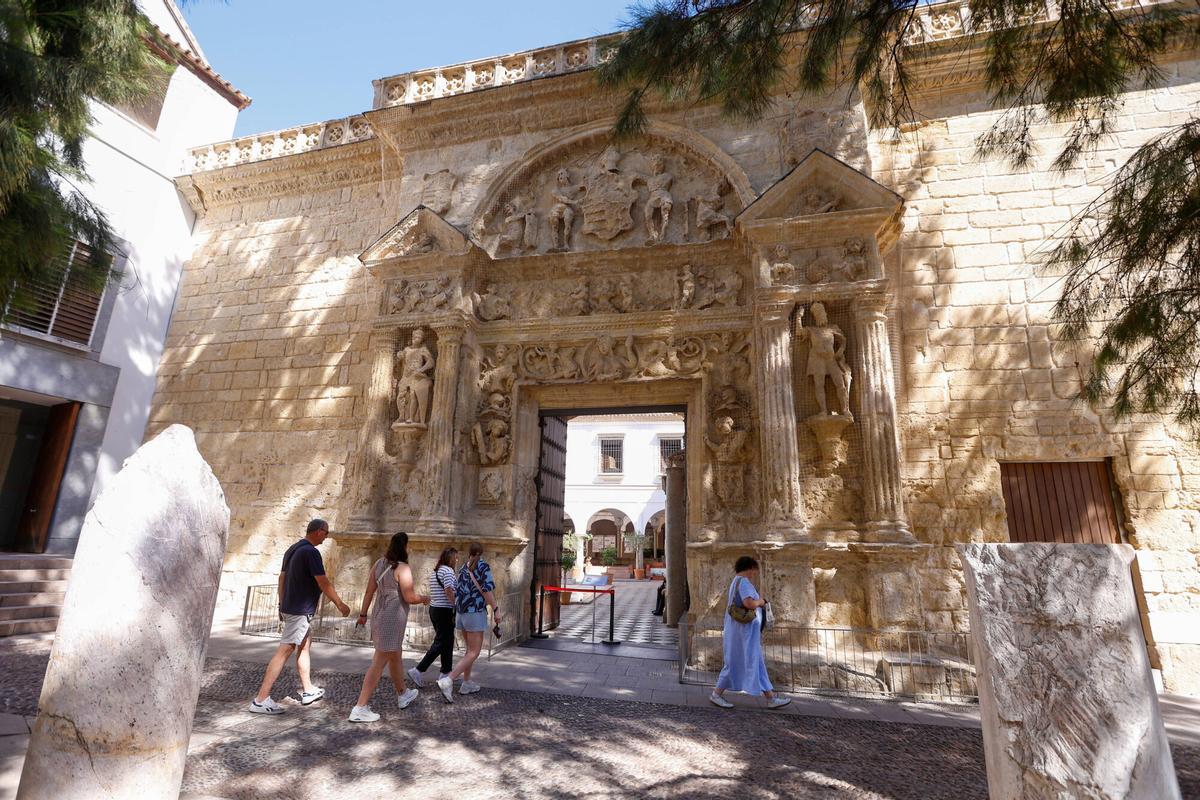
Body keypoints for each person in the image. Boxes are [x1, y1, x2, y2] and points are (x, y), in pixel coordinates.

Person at [249, 519, 350, 715]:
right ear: (319, 531)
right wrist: (339, 604)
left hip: (290, 607)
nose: (327, 536)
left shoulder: (293, 549)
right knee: (284, 651)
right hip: (299, 610)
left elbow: (282, 578)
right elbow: (323, 581)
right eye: (326, 533)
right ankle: (261, 699)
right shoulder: (311, 552)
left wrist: (281, 603)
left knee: (304, 646)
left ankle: (308, 690)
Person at [348, 531, 430, 722]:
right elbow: (409, 597)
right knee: (379, 661)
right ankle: (360, 707)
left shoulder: (378, 564)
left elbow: (369, 592)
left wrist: (362, 614)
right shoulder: (403, 568)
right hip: (393, 617)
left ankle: (402, 693)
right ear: (405, 547)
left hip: (379, 614)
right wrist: (425, 598)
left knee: (395, 655)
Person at [710, 556, 791, 710]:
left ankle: (771, 698)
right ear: (749, 568)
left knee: (751, 661)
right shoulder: (745, 582)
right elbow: (749, 603)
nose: (755, 573)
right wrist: (761, 601)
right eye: (754, 569)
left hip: (740, 632)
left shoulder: (736, 581)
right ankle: (716, 694)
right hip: (744, 633)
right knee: (738, 661)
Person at [436, 542, 501, 702]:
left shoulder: (463, 568)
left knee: (468, 651)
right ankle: (448, 680)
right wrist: (496, 609)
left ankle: (466, 683)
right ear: (481, 552)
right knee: (474, 652)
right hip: (475, 612)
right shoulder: (483, 566)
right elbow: (487, 590)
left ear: (469, 553)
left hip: (461, 613)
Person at [408, 546, 458, 687]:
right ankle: (418, 670)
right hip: (444, 610)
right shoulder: (448, 571)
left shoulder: (437, 571)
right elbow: (448, 589)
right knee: (441, 642)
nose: (457, 560)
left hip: (435, 609)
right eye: (455, 557)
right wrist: (455, 604)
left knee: (447, 641)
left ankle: (445, 672)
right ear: (450, 558)